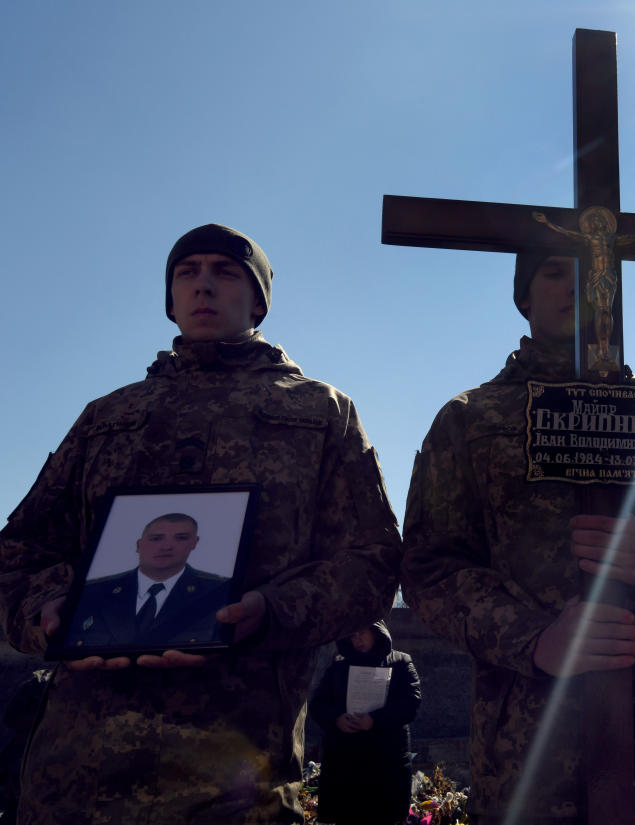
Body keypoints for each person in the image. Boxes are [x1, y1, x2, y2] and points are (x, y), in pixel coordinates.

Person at [0, 223, 402, 824]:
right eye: (187, 273)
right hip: (72, 779)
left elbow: (371, 561)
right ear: (169, 300)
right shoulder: (108, 415)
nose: (204, 285)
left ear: (258, 299)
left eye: (226, 271)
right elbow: (20, 550)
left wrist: (272, 610)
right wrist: (50, 608)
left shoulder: (320, 413)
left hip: (236, 779)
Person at [401, 251, 635, 824]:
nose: (579, 288)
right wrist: (534, 638)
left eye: (594, 276)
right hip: (533, 755)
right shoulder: (471, 419)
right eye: (554, 272)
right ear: (524, 297)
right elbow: (430, 567)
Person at [309, 620, 421, 825]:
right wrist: (336, 719)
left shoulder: (401, 662)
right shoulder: (339, 665)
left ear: (376, 632)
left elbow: (411, 703)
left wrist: (376, 720)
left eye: (361, 633)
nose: (357, 639)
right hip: (345, 765)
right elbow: (317, 704)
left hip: (387, 762)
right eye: (352, 635)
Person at [64, 512, 231, 649]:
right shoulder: (93, 592)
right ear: (138, 545)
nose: (166, 546)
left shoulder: (220, 592)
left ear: (194, 543)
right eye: (156, 538)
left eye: (181, 538)